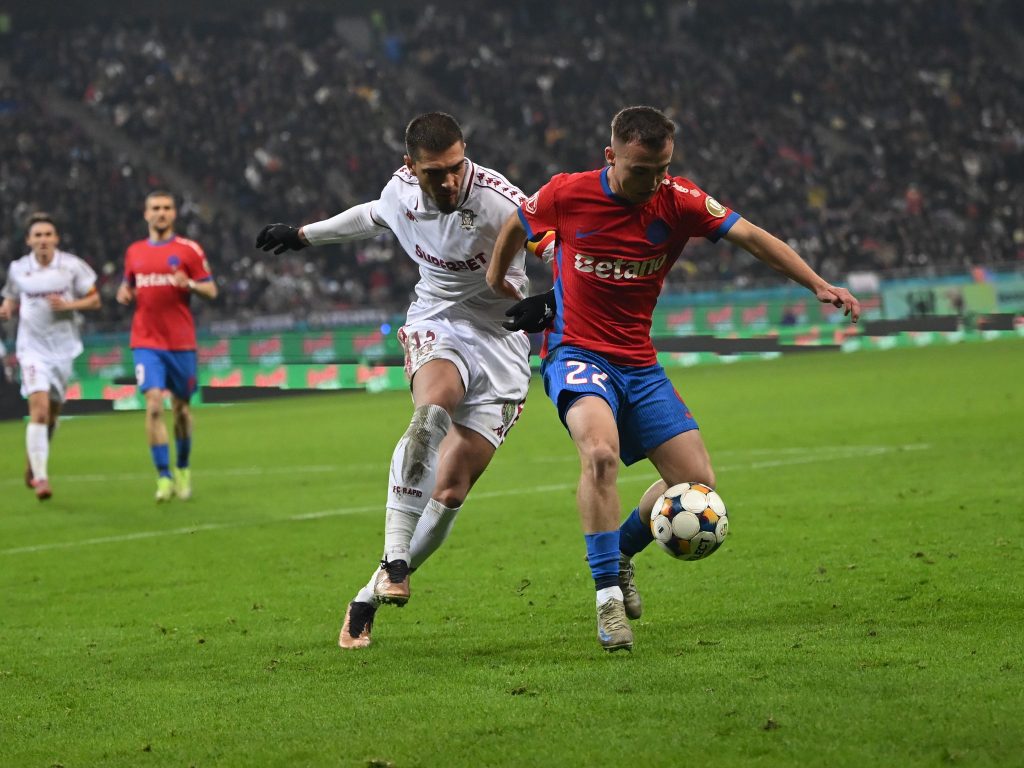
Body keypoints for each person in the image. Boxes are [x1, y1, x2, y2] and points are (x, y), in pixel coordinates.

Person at [487, 105, 861, 652]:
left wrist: (817, 283)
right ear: (611, 156)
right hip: (576, 352)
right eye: (641, 170)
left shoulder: (680, 199)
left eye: (662, 169)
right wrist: (498, 277)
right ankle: (607, 598)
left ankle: (621, 552)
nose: (653, 181)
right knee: (600, 454)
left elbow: (753, 237)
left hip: (639, 363)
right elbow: (516, 225)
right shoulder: (567, 193)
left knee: (697, 483)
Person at [256, 112, 537, 650]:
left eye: (456, 167)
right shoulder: (400, 193)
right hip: (439, 321)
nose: (449, 181)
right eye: (435, 172)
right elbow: (369, 216)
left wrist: (548, 301)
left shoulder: (502, 202)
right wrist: (302, 236)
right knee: (431, 413)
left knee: (450, 491)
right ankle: (396, 559)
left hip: (504, 341)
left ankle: (368, 594)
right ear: (411, 166)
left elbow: (560, 245)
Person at [116, 191, 218, 502]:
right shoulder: (134, 252)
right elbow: (127, 285)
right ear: (146, 214)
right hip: (146, 341)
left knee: (182, 410)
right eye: (155, 208)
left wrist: (190, 284)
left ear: (174, 213)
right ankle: (163, 476)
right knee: (153, 405)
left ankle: (182, 468)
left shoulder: (189, 250)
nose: (161, 213)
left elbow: (211, 290)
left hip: (180, 342)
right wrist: (124, 293)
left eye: (166, 208)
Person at [0, 212, 101, 500]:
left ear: (56, 238)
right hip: (32, 350)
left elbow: (95, 300)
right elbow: (11, 296)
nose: (43, 240)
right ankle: (42, 478)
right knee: (39, 410)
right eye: (38, 235)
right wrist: (6, 308)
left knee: (52, 415)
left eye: (47, 235)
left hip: (64, 350)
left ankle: (33, 462)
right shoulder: (19, 269)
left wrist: (70, 305)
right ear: (29, 240)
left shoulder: (71, 266)